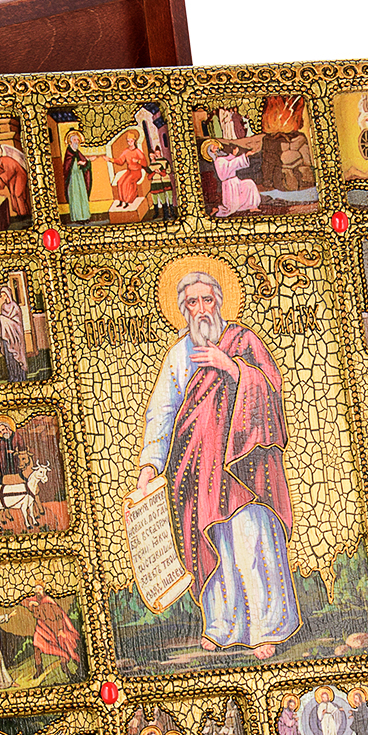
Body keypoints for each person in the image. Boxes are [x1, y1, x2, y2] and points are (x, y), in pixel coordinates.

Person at [134, 268, 299, 658]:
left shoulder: (243, 340)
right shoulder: (179, 354)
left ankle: (266, 627)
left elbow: (271, 386)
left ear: (219, 302)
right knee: (215, 545)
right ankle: (221, 626)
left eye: (207, 300)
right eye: (192, 303)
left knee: (252, 540)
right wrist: (149, 466)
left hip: (244, 466)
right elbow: (162, 411)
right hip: (198, 470)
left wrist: (230, 366)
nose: (201, 309)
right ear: (183, 309)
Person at [24, 589, 82, 683]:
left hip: (55, 630)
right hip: (43, 629)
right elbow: (27, 604)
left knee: (65, 649)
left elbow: (59, 616)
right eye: (36, 589)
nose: (37, 591)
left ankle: (68, 671)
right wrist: (32, 604)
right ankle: (39, 668)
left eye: (39, 589)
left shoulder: (49, 602)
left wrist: (60, 630)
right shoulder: (35, 601)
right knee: (37, 646)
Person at [205, 138, 260, 215]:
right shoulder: (218, 161)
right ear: (211, 151)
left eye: (215, 146)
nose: (216, 147)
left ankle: (252, 206)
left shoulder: (222, 158)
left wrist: (234, 154)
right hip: (230, 185)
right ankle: (217, 210)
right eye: (212, 147)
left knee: (249, 184)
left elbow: (230, 161)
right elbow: (230, 165)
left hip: (236, 181)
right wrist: (245, 155)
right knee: (231, 208)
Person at [0, 145, 29, 222]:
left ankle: (24, 214)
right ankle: (19, 213)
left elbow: (9, 172)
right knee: (13, 195)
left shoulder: (5, 160)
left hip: (19, 176)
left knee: (18, 194)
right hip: (12, 179)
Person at [110, 129, 149, 207]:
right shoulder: (126, 151)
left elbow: (145, 163)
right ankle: (121, 201)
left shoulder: (137, 151)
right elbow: (120, 161)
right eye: (128, 141)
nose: (130, 143)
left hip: (136, 172)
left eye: (131, 141)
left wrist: (138, 161)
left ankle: (127, 201)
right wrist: (111, 160)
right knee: (120, 182)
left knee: (126, 183)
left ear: (134, 141)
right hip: (129, 171)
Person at [0, 287, 28, 380]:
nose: (2, 297)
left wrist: (0, 317)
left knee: (16, 358)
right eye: (1, 295)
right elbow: (3, 321)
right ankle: (12, 376)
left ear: (8, 295)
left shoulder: (15, 307)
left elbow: (16, 323)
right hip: (6, 337)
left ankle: (20, 377)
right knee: (9, 359)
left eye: (3, 295)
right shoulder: (3, 307)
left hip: (15, 338)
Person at [62, 130, 92, 222]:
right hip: (73, 178)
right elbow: (68, 166)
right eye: (75, 140)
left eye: (78, 140)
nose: (77, 142)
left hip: (80, 177)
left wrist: (86, 162)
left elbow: (84, 161)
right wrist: (78, 163)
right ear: (70, 141)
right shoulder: (69, 152)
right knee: (75, 197)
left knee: (82, 196)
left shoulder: (77, 152)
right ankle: (78, 218)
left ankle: (85, 216)